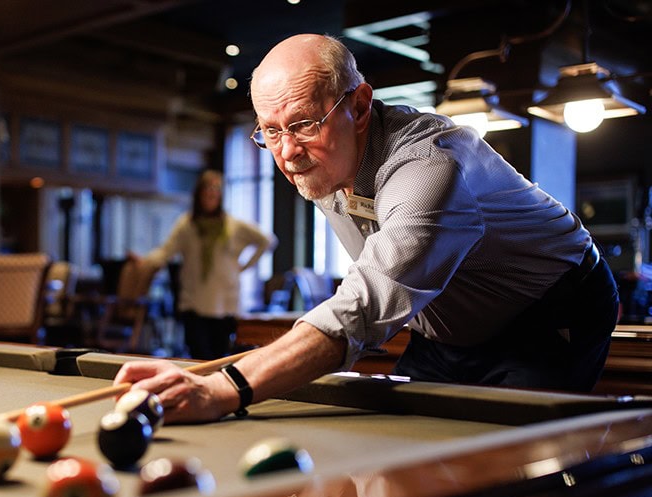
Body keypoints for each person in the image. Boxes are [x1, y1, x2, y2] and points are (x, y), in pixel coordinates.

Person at [114, 32, 619, 424]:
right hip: (445, 329)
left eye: (304, 123)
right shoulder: (325, 159)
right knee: (403, 447)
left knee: (510, 472)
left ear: (358, 106)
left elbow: (367, 304)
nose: (287, 152)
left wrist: (226, 386)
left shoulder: (429, 164)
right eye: (271, 131)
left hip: (547, 313)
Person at [133, 169, 276, 360]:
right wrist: (144, 261)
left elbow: (267, 241)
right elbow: (165, 252)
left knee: (219, 360)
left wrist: (244, 267)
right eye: (207, 189)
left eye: (216, 189)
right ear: (199, 193)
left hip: (225, 304)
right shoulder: (187, 225)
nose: (211, 193)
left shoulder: (232, 225)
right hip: (194, 303)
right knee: (198, 358)